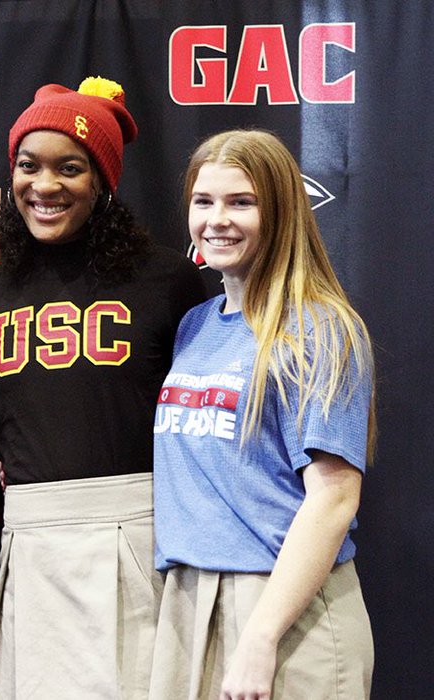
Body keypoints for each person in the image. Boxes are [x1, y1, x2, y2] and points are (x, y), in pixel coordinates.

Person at [0, 77, 207, 698]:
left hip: (139, 535)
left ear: (101, 180)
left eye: (69, 168)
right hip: (30, 537)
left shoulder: (166, 278)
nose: (43, 187)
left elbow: (203, 410)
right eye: (28, 166)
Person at [148, 129, 375, 699]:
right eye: (205, 201)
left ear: (280, 213)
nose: (217, 219)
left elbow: (334, 497)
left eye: (241, 202)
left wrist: (261, 635)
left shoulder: (320, 328)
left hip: (282, 612)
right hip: (191, 599)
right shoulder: (196, 325)